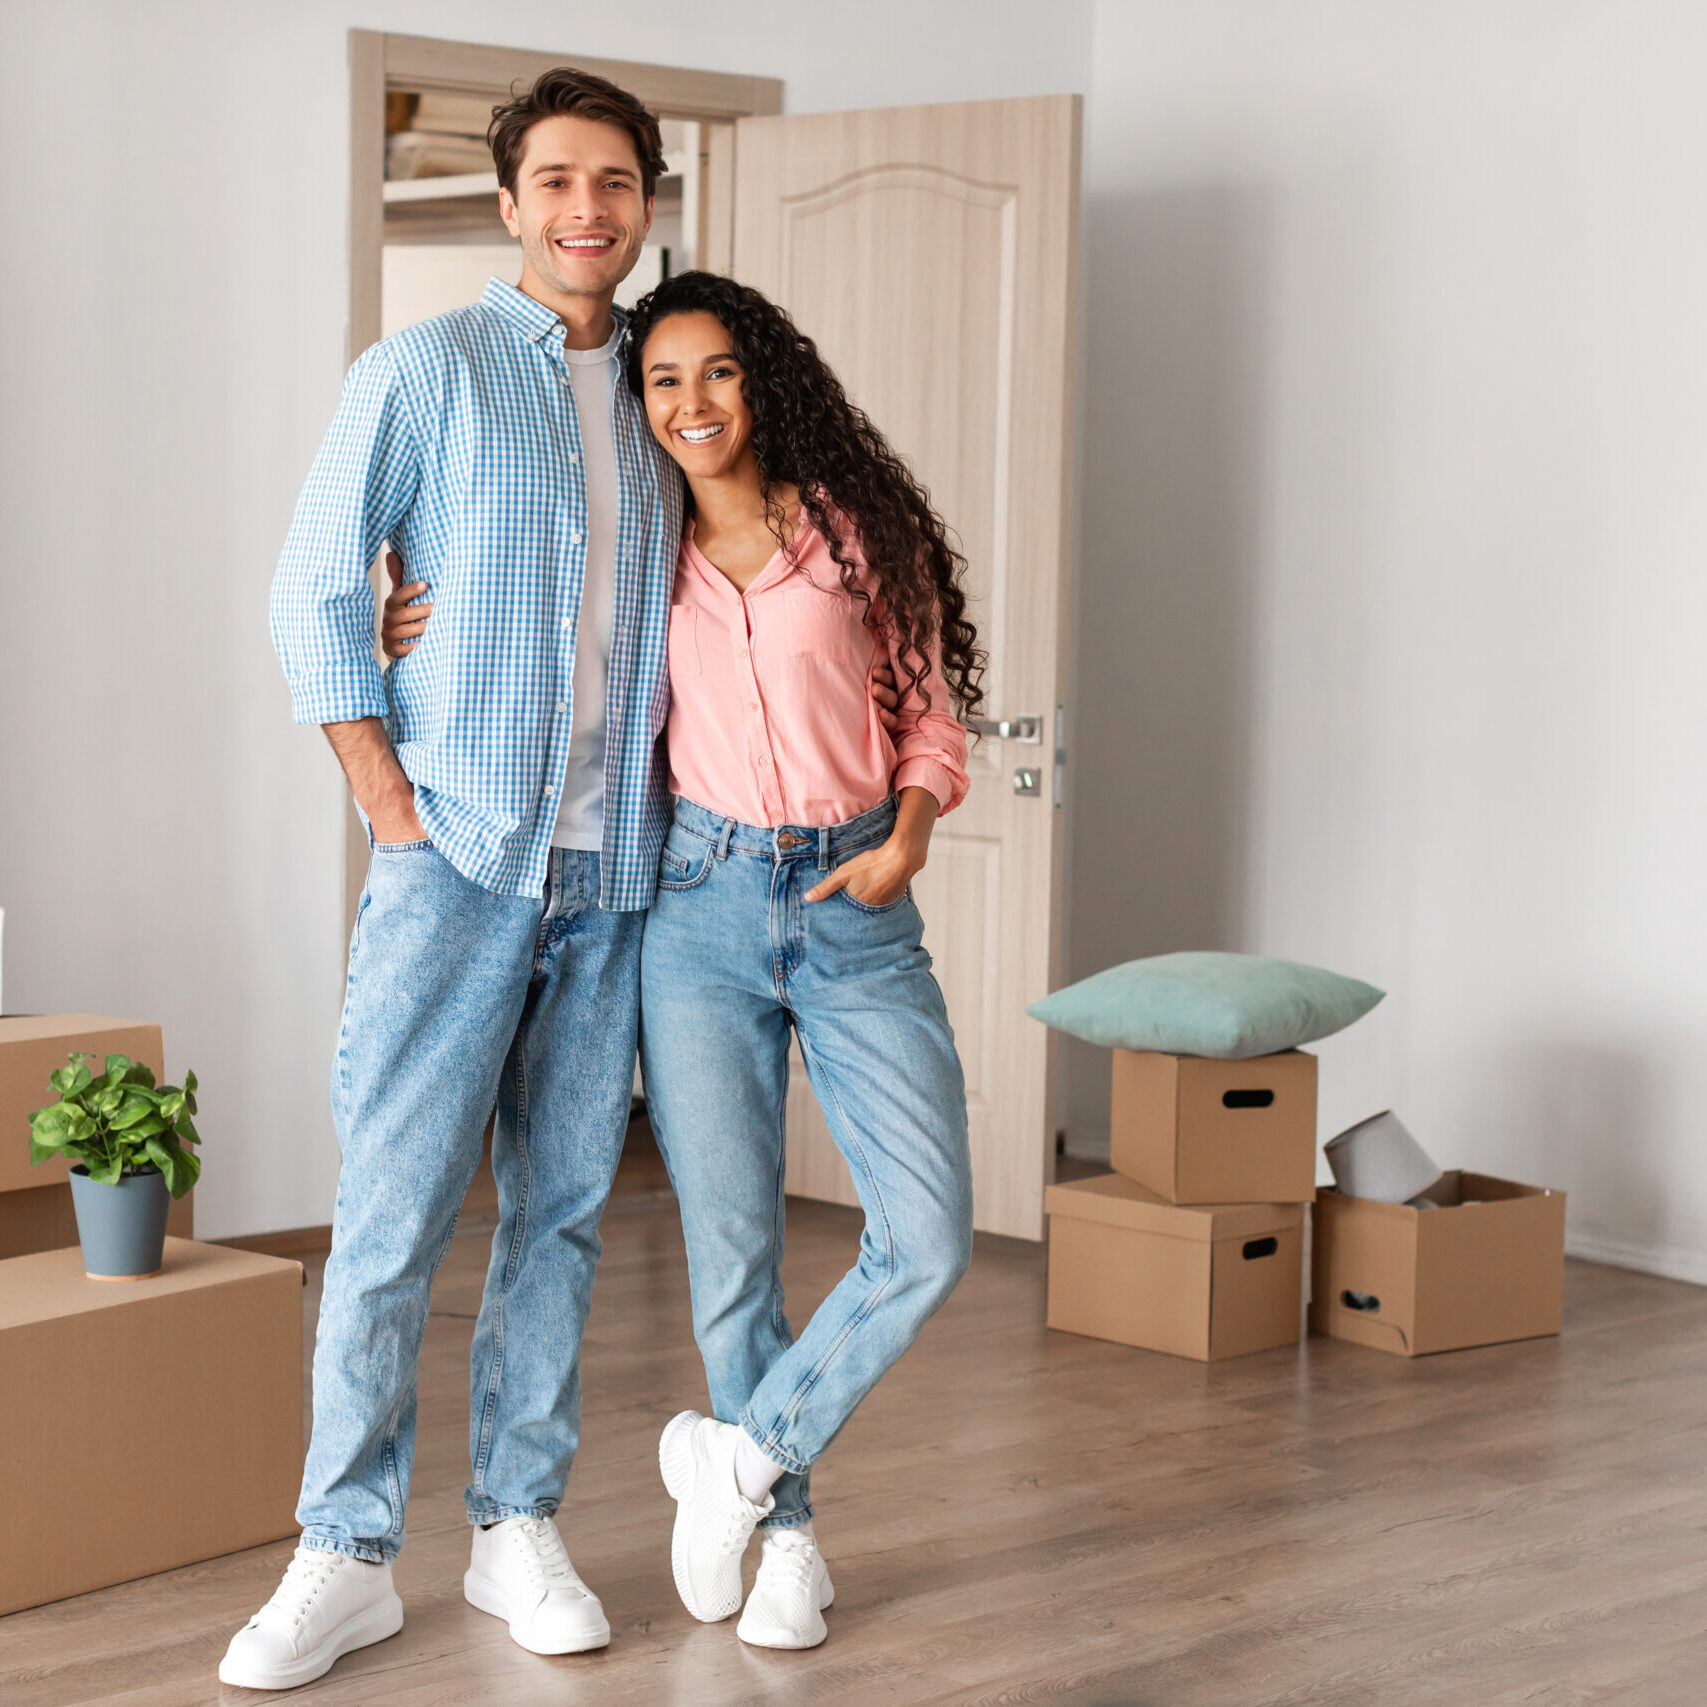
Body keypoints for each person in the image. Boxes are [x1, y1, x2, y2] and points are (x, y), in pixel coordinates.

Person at [386, 270, 983, 1651]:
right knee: (735, 1253)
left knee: (928, 1233)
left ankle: (741, 1455)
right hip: (697, 905)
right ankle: (787, 1548)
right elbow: (513, 624)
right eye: (663, 380)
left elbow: (931, 716)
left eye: (716, 372)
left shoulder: (851, 534)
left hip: (853, 901)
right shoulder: (639, 546)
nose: (691, 402)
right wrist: (390, 615)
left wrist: (911, 835)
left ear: (761, 380)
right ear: (641, 401)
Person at [225, 68, 686, 1692]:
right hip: (457, 862)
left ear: (646, 204)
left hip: (618, 871)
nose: (587, 208)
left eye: (616, 181)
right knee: (393, 1219)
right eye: (556, 180)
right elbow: (310, 594)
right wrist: (385, 798)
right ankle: (344, 1553)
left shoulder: (678, 390)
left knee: (562, 1215)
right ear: (509, 205)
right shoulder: (422, 372)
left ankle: (515, 1525)